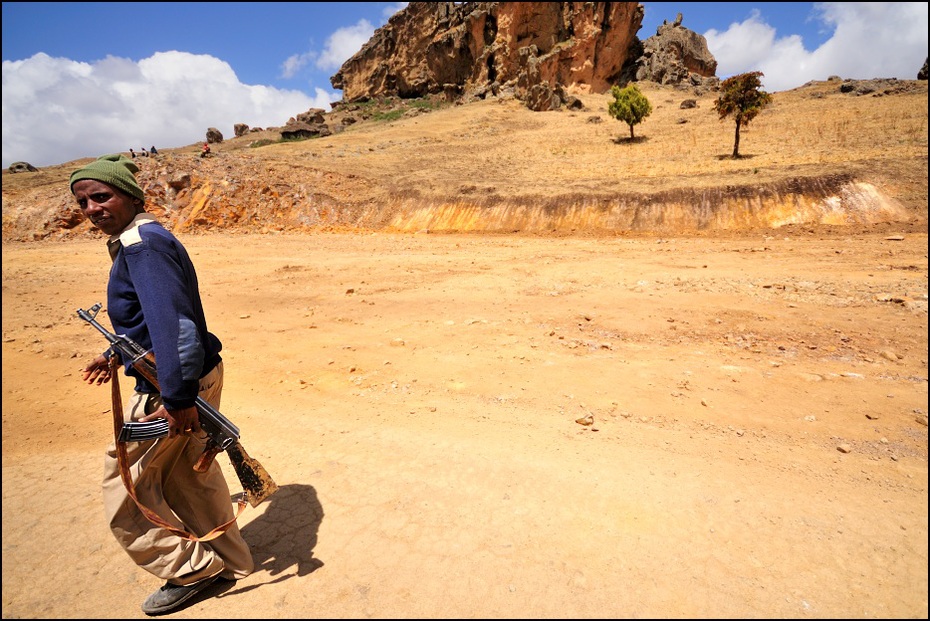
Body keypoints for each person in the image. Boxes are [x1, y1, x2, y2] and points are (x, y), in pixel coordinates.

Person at [72, 154, 253, 615]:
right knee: (188, 473)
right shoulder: (142, 238)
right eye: (83, 201)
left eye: (102, 196)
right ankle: (231, 559)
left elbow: (175, 328)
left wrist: (176, 397)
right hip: (188, 374)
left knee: (127, 484)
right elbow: (153, 322)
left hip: (172, 383)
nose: (92, 207)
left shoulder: (141, 245)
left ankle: (191, 571)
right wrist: (115, 353)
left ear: (133, 196)